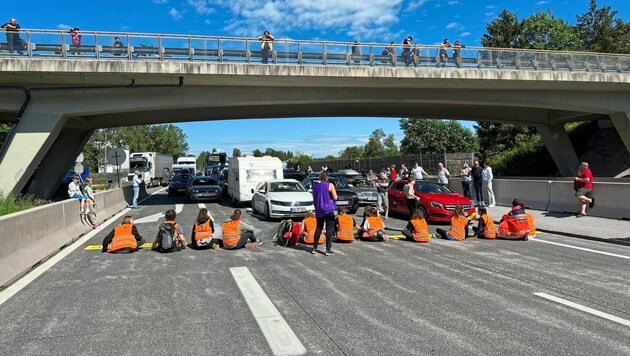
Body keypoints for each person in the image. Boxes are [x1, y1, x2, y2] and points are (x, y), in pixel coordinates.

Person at [311, 171, 338, 255]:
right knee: (329, 228)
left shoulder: (315, 186)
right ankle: (327, 249)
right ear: (327, 177)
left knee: (318, 227)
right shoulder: (330, 185)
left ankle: (314, 248)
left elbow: (315, 197)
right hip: (329, 209)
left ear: (320, 178)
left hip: (319, 209)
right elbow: (335, 197)